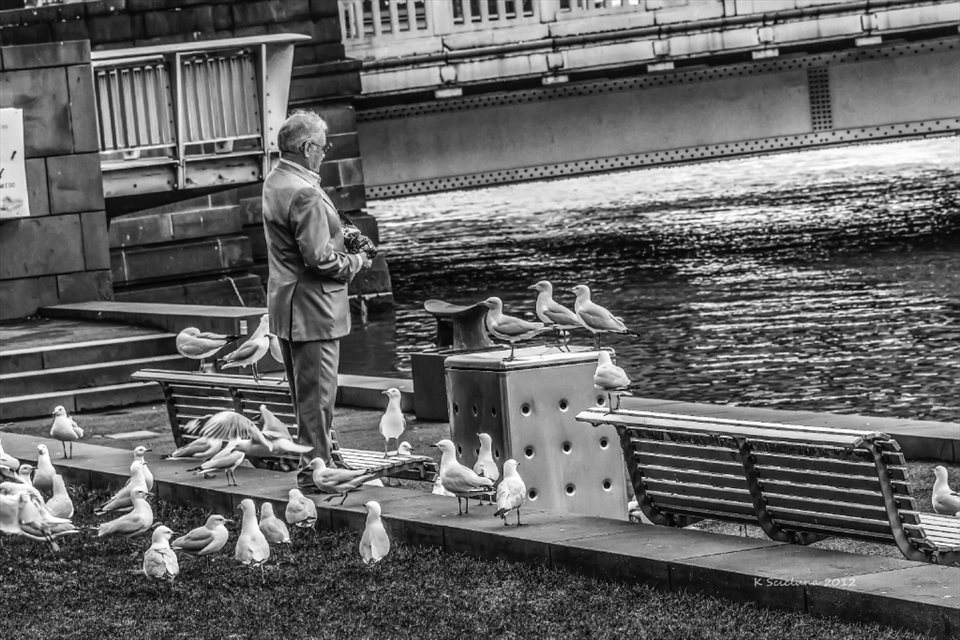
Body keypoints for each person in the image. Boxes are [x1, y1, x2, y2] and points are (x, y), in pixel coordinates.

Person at [262, 110, 375, 489]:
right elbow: (320, 259)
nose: (325, 153)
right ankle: (316, 475)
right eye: (323, 147)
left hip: (288, 306)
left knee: (306, 397)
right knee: (318, 399)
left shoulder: (276, 180)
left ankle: (324, 459)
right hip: (314, 309)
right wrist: (356, 260)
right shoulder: (305, 191)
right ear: (308, 147)